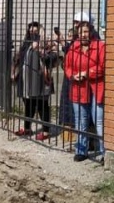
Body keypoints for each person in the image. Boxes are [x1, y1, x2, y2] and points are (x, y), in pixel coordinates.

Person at [64, 21, 106, 162]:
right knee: (81, 120)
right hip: (79, 87)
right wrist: (72, 75)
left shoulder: (99, 46)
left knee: (98, 120)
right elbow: (67, 66)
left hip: (95, 87)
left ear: (91, 32)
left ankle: (104, 152)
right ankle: (81, 150)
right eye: (81, 32)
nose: (83, 35)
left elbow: (102, 67)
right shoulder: (74, 47)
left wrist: (88, 73)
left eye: (86, 32)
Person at [12, 22, 58, 140]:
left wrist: (40, 50)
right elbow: (19, 59)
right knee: (28, 105)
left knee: (42, 106)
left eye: (36, 32)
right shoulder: (26, 44)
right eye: (31, 32)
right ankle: (27, 129)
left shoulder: (46, 43)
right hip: (26, 81)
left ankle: (46, 131)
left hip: (41, 80)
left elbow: (53, 59)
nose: (33, 34)